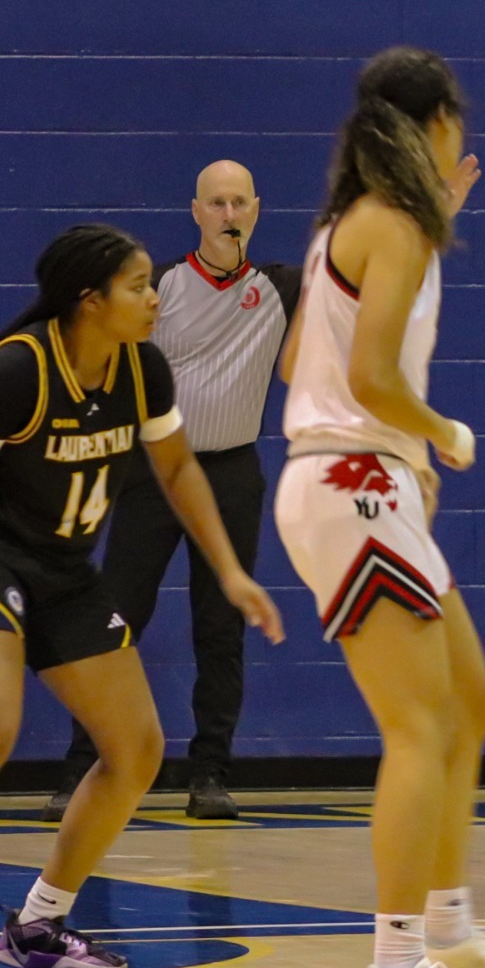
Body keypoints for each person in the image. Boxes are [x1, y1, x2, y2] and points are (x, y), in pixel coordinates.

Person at [0, 223, 284, 968]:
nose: (154, 299)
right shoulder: (18, 371)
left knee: (138, 746)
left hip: (68, 572)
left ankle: (40, 923)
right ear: (90, 299)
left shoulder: (143, 370)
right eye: (140, 286)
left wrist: (231, 571)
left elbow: (177, 472)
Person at [274, 46, 485, 968]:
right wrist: (441, 435)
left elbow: (298, 365)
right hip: (354, 482)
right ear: (436, 122)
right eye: (457, 121)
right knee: (417, 726)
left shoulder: (364, 224)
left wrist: (401, 451)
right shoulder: (388, 223)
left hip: (357, 477)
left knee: (467, 705)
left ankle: (448, 925)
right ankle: (396, 963)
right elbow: (369, 383)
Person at [44, 161, 301, 823]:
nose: (228, 213)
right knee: (115, 618)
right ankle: (82, 768)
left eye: (239, 201)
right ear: (195, 211)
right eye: (216, 202)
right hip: (153, 472)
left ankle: (210, 772)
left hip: (232, 472)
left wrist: (431, 212)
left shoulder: (280, 287)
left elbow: (364, 276)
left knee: (221, 626)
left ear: (257, 209)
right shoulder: (157, 286)